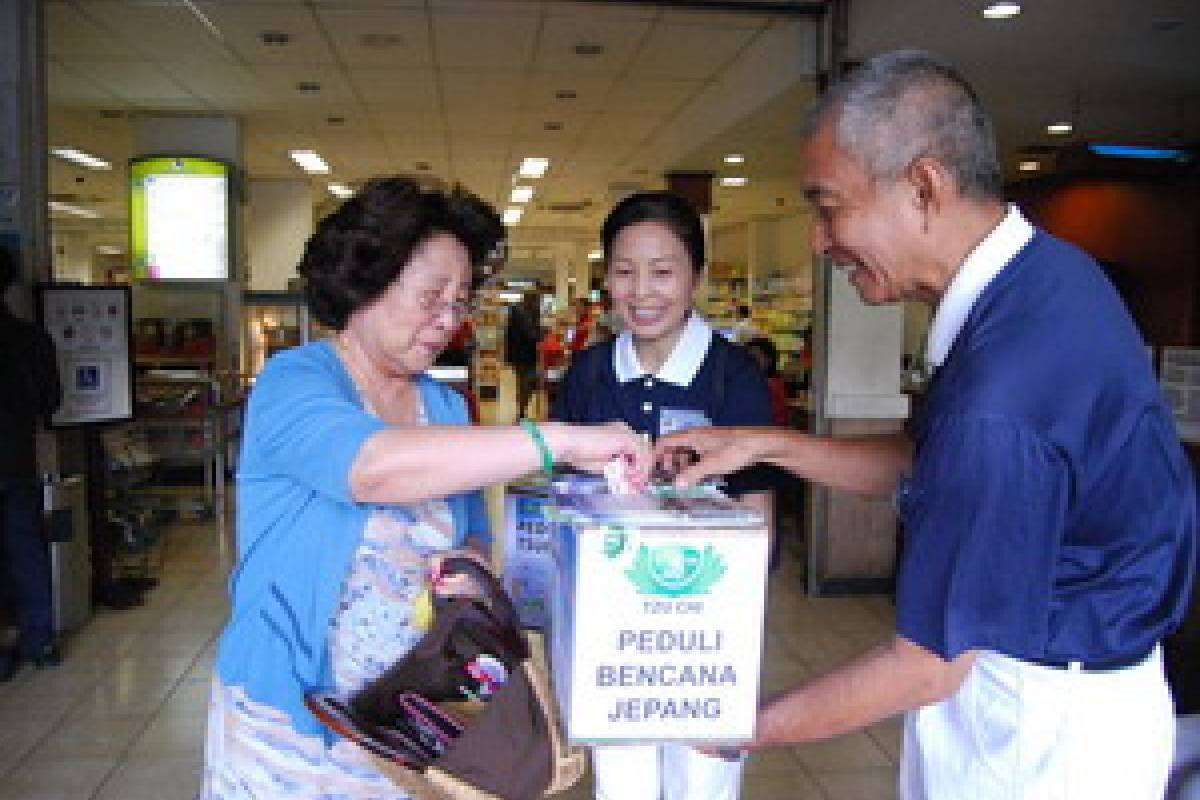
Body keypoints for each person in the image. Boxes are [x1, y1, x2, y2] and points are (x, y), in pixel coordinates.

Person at [658, 50, 1196, 799]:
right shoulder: (1046, 278)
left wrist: (738, 725)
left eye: (828, 204)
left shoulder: (1000, 392)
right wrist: (763, 443)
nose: (819, 239)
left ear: (923, 188)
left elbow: (927, 664)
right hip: (1073, 693)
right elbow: (930, 461)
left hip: (1034, 736)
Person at [201, 176, 650, 800]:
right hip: (292, 726)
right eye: (432, 296)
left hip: (408, 727)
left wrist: (465, 567)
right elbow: (371, 468)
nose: (449, 320)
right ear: (366, 282)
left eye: (460, 300)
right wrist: (561, 440)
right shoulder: (293, 382)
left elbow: (468, 532)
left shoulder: (443, 404)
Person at [552, 190, 775, 800]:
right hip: (613, 626)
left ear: (696, 277)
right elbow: (564, 498)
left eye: (662, 271)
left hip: (706, 625)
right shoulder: (589, 375)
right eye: (624, 272)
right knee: (622, 781)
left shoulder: (734, 376)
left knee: (703, 776)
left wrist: (743, 620)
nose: (642, 291)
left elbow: (757, 504)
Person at [0, 248, 62, 681]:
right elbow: (50, 401)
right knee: (26, 547)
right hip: (16, 459)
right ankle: (39, 640)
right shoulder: (30, 339)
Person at [505, 289, 542, 420]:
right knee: (527, 381)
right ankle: (521, 409)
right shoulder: (523, 313)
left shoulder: (517, 311)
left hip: (518, 354)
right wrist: (542, 333)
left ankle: (521, 408)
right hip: (524, 354)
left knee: (522, 382)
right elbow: (531, 334)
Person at [744, 336, 789, 427]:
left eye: (754, 358)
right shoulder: (759, 381)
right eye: (747, 358)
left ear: (769, 360)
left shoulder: (769, 385)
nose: (750, 362)